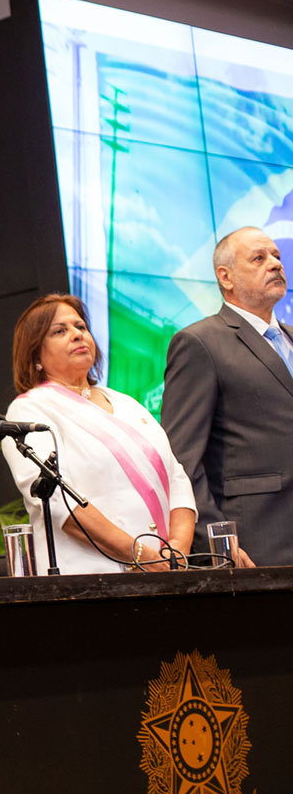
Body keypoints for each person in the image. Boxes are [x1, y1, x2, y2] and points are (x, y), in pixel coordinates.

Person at [0, 295, 195, 574]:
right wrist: (139, 554)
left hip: (163, 572)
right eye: (60, 331)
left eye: (80, 326)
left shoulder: (127, 403)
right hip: (89, 577)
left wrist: (176, 551)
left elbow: (176, 479)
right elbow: (58, 503)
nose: (77, 335)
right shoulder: (29, 409)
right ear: (35, 355)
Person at [163, 226, 289, 565]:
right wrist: (218, 540)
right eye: (259, 258)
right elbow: (181, 457)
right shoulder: (199, 343)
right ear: (226, 277)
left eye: (276, 256)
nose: (275, 264)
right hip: (257, 541)